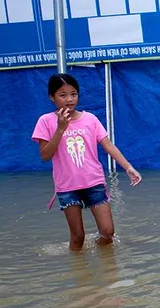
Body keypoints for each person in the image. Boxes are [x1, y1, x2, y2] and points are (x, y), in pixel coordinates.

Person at [32, 73, 142, 251]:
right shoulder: (45, 121)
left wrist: (128, 168)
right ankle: (80, 273)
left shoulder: (90, 119)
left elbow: (108, 146)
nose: (69, 99)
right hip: (67, 187)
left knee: (107, 232)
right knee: (78, 237)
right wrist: (60, 129)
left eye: (73, 94)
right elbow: (45, 155)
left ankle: (102, 264)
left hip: (94, 182)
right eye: (63, 95)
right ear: (51, 97)